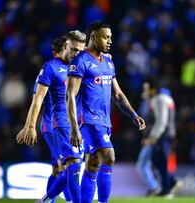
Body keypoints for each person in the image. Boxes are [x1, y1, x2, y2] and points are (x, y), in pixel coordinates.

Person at [66, 21, 146, 203]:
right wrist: (74, 128)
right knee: (109, 157)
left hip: (104, 121)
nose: (110, 41)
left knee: (93, 164)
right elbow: (70, 95)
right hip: (87, 120)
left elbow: (117, 94)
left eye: (110, 37)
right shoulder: (81, 61)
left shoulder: (109, 63)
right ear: (93, 37)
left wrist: (133, 114)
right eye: (105, 37)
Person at [16, 30, 86, 203]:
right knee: (74, 166)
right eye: (72, 49)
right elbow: (37, 99)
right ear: (64, 48)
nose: (75, 53)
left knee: (61, 169)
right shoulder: (51, 67)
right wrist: (30, 126)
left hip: (72, 124)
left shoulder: (76, 68)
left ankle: (48, 200)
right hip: (56, 124)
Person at [136, 79, 182, 197]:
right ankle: (169, 184)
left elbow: (161, 121)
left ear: (153, 88)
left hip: (163, 135)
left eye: (147, 88)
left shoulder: (159, 99)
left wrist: (153, 137)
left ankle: (168, 188)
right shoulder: (164, 98)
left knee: (161, 161)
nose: (145, 91)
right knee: (158, 160)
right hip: (167, 134)